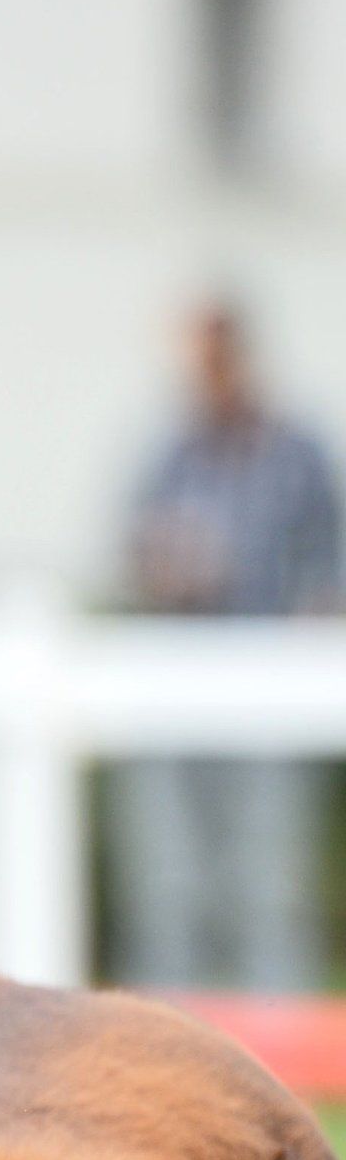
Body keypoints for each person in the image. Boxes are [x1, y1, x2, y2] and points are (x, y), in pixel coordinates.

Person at [108, 301, 342, 991]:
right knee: (166, 883)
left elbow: (328, 570)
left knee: (271, 881)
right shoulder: (169, 454)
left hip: (267, 700)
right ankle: (168, 1052)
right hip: (175, 695)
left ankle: (278, 1050)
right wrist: (172, 567)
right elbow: (130, 550)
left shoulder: (298, 455)